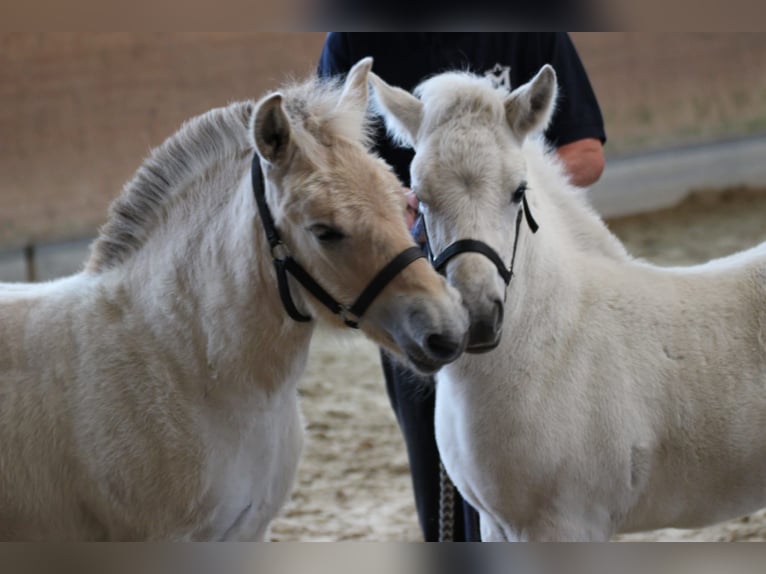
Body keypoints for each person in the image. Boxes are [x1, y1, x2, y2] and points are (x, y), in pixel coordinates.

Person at [317, 33, 607, 542]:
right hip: (410, 273)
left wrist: (501, 179)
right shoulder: (354, 38)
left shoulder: (528, 29)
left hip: (515, 274)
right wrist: (407, 199)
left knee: (535, 464)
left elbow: (585, 152)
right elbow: (331, 161)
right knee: (436, 462)